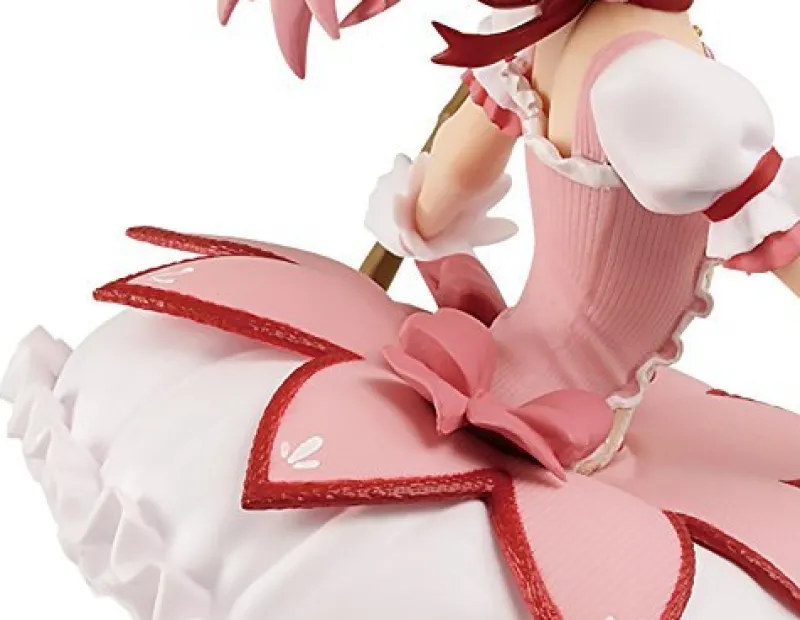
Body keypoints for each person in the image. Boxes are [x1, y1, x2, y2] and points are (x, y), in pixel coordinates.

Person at [3, 1, 799, 618]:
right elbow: (786, 249)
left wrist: (414, 223)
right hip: (570, 417)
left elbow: (443, 186)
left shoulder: (545, 36)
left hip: (502, 352)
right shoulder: (658, 86)